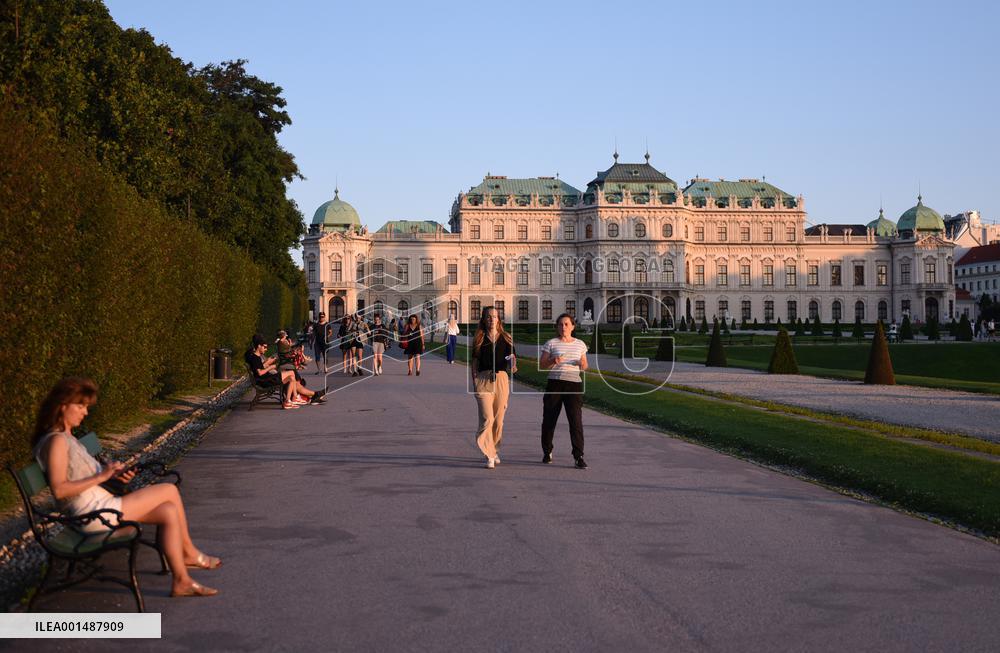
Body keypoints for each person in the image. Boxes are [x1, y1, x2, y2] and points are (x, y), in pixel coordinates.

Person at [33, 377, 220, 597]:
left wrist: (115, 476)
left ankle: (181, 581)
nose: (85, 412)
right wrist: (102, 476)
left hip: (99, 506)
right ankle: (188, 552)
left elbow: (82, 477)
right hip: (92, 514)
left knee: (168, 511)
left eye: (86, 407)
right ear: (63, 405)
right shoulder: (56, 441)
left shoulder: (67, 437)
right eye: (81, 406)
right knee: (168, 490)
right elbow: (60, 490)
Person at [539, 313, 589, 469]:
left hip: (574, 385)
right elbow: (542, 365)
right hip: (555, 384)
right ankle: (547, 451)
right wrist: (553, 360)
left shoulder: (580, 344)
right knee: (549, 420)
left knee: (575, 421)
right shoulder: (551, 343)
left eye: (567, 324)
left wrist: (582, 364)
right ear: (557, 327)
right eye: (560, 324)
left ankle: (578, 456)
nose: (563, 327)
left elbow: (585, 366)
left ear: (573, 326)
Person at [470, 307, 516, 469]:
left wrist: (513, 364)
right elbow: (474, 362)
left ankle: (494, 449)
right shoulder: (479, 338)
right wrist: (475, 382)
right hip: (483, 379)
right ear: (484, 319)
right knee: (487, 418)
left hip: (501, 379)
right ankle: (489, 454)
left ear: (498, 320)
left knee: (498, 420)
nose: (492, 319)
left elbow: (511, 356)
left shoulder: (506, 337)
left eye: (494, 316)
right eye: (488, 317)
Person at [246, 334, 324, 408]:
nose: (266, 349)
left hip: (266, 378)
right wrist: (270, 367)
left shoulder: (256, 357)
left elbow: (259, 368)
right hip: (265, 380)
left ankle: (289, 400)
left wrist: (268, 364)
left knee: (291, 377)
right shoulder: (255, 358)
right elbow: (260, 373)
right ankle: (295, 398)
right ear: (259, 346)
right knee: (291, 373)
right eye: (264, 347)